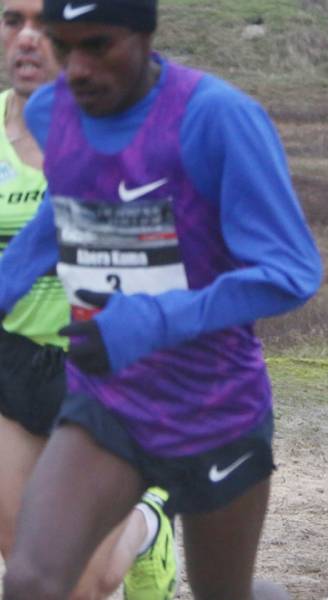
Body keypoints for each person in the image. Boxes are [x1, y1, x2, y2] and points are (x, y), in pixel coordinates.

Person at [0, 0, 323, 598]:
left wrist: (149, 322)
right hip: (107, 400)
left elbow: (292, 272)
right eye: (63, 46)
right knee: (31, 584)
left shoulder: (218, 118)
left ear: (144, 34)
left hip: (216, 409)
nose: (76, 69)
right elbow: (65, 214)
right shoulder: (53, 112)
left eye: (97, 45)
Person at [0, 1, 178, 598]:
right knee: (31, 570)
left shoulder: (134, 130)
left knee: (92, 580)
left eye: (42, 24)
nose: (27, 38)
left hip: (109, 368)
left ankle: (150, 521)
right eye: (11, 21)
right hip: (11, 362)